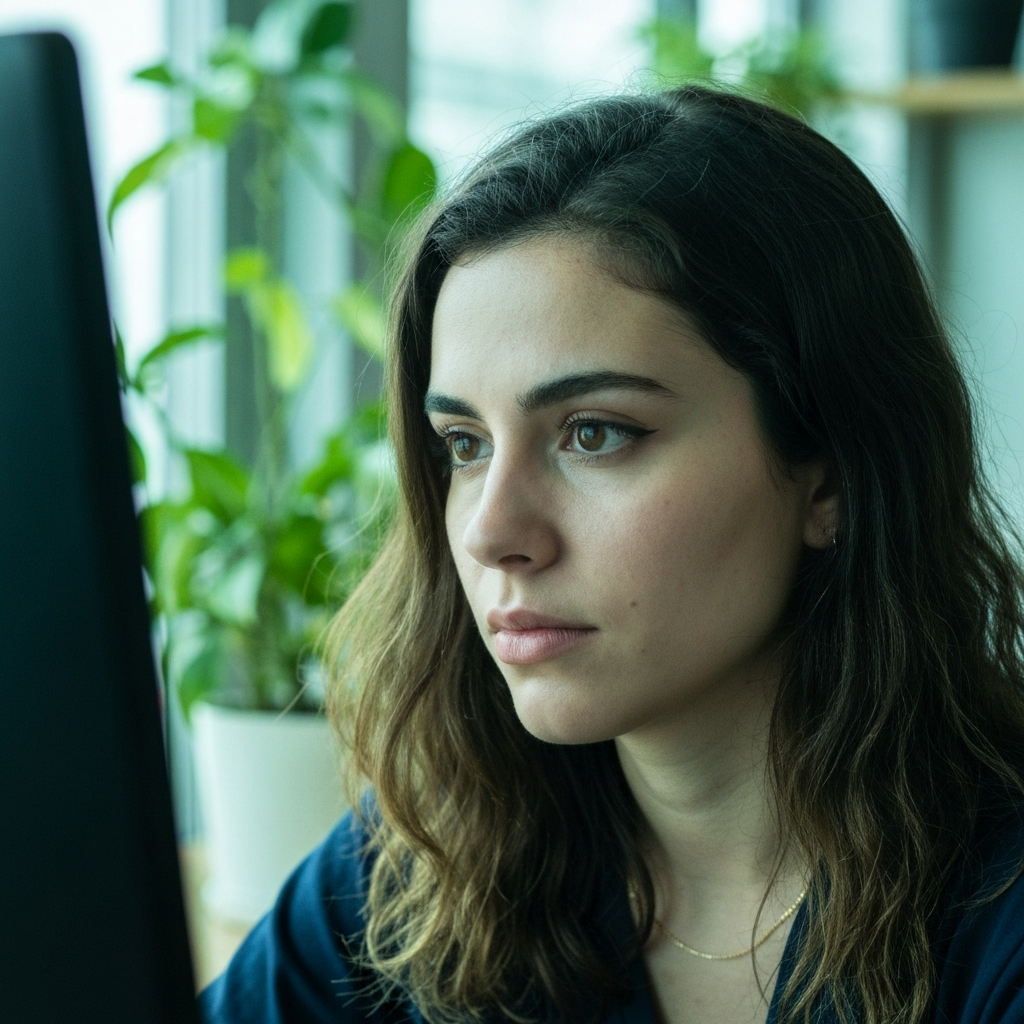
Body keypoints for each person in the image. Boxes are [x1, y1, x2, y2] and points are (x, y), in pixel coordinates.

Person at [199, 85, 1024, 1024]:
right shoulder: (424, 869)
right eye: (464, 445)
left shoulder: (996, 919)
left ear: (830, 476)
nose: (490, 531)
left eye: (595, 434)